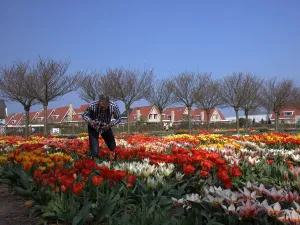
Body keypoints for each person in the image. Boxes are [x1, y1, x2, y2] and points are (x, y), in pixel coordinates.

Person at [81, 95, 121, 159]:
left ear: (109, 103)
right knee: (94, 147)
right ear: (99, 102)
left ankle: (115, 161)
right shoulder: (92, 105)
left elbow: (119, 118)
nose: (103, 109)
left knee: (112, 146)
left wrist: (110, 125)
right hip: (94, 126)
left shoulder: (113, 106)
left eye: (106, 107)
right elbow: (84, 115)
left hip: (106, 126)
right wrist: (90, 121)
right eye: (102, 107)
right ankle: (95, 162)